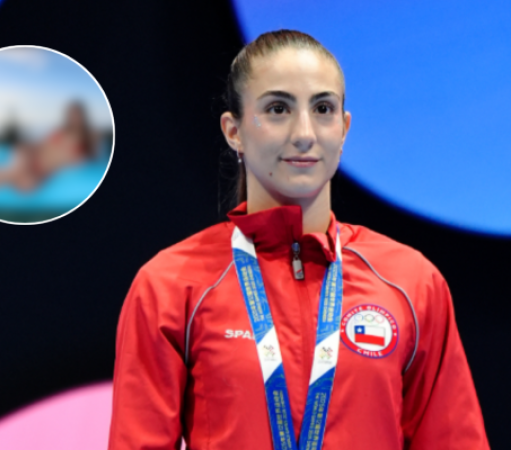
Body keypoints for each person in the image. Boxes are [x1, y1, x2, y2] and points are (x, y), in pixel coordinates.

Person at [108, 30, 489, 450]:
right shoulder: (170, 285)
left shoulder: (410, 282)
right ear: (234, 131)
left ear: (344, 129)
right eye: (278, 109)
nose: (305, 132)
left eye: (323, 109)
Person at [0, 101, 98, 195]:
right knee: (16, 172)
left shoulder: (90, 135)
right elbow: (43, 145)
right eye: (72, 114)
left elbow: (91, 157)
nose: (74, 117)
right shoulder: (61, 132)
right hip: (33, 155)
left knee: (26, 185)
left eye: (77, 114)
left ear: (83, 115)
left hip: (43, 170)